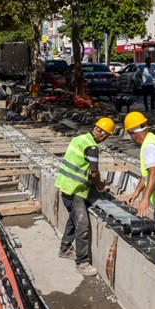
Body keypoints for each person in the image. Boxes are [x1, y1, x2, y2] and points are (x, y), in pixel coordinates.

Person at [54, 117, 116, 277]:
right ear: (104, 135)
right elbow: (94, 172)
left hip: (65, 186)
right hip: (76, 190)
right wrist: (100, 185)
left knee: (74, 218)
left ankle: (65, 248)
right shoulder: (92, 147)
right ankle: (82, 262)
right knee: (82, 224)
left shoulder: (79, 139)